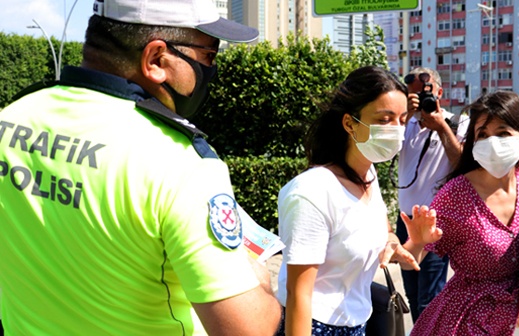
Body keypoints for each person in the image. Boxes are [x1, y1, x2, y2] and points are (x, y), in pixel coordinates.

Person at [0, 0, 281, 334]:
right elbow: (247, 328)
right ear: (157, 59)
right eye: (209, 55)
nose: (211, 69)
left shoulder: (12, 117)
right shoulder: (182, 163)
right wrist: (260, 280)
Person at [275, 66, 441, 335]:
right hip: (317, 327)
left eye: (401, 119)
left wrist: (413, 241)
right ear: (350, 123)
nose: (396, 130)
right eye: (384, 119)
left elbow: (383, 237)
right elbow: (298, 295)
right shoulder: (312, 192)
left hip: (358, 323)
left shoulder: (368, 175)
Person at [405, 91, 519, 335]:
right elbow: (411, 259)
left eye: (503, 133)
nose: (492, 142)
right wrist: (418, 241)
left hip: (505, 320)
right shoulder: (456, 194)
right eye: (482, 135)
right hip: (461, 321)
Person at [394, 67, 469, 322]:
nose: (421, 99)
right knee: (413, 295)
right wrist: (405, 116)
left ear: (439, 92)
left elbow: (462, 164)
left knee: (430, 298)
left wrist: (440, 128)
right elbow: (384, 155)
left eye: (425, 93)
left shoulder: (458, 123)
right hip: (406, 222)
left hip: (436, 223)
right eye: (413, 95)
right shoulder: (403, 123)